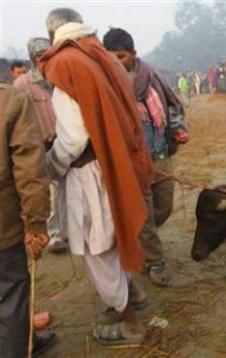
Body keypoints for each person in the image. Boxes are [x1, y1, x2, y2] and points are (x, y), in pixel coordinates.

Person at [39, 8, 154, 346]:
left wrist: (49, 165)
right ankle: (133, 293)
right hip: (114, 163)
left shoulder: (66, 65)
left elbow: (74, 138)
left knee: (97, 245)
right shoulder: (102, 57)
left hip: (89, 171)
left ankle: (130, 323)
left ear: (52, 35)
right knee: (114, 233)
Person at [103, 27, 188, 286]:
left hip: (160, 154)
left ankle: (138, 240)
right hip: (131, 163)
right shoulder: (105, 84)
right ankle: (155, 261)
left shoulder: (152, 77)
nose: (116, 63)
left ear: (133, 54)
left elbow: (172, 107)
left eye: (121, 57)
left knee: (163, 208)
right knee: (146, 215)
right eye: (111, 58)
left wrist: (179, 128)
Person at [0, 83, 57, 358]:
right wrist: (36, 223)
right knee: (11, 299)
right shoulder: (10, 100)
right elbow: (29, 169)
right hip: (3, 229)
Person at [13, 37, 68, 254]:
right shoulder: (23, 85)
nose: (44, 59)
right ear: (32, 59)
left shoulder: (62, 78)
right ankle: (55, 234)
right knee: (50, 193)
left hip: (65, 141)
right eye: (39, 56)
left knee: (67, 188)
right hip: (40, 144)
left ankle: (67, 230)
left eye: (48, 54)